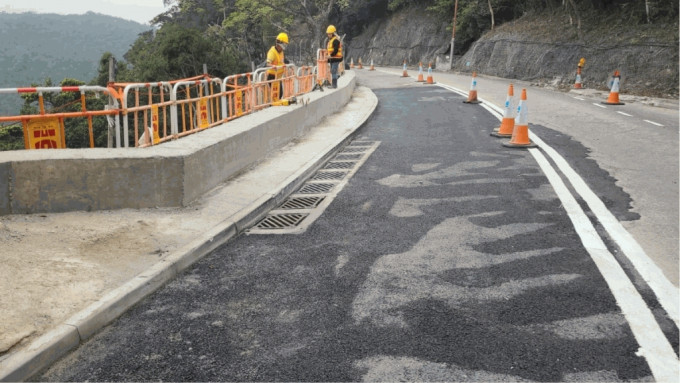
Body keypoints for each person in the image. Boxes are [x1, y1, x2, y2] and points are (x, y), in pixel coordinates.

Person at [266, 32, 289, 100]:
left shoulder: (281, 52)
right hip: (272, 76)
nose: (284, 47)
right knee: (276, 95)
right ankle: (273, 106)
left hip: (278, 77)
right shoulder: (272, 52)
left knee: (280, 94)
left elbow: (281, 62)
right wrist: (273, 66)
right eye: (284, 44)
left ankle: (276, 103)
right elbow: (267, 64)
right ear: (279, 43)